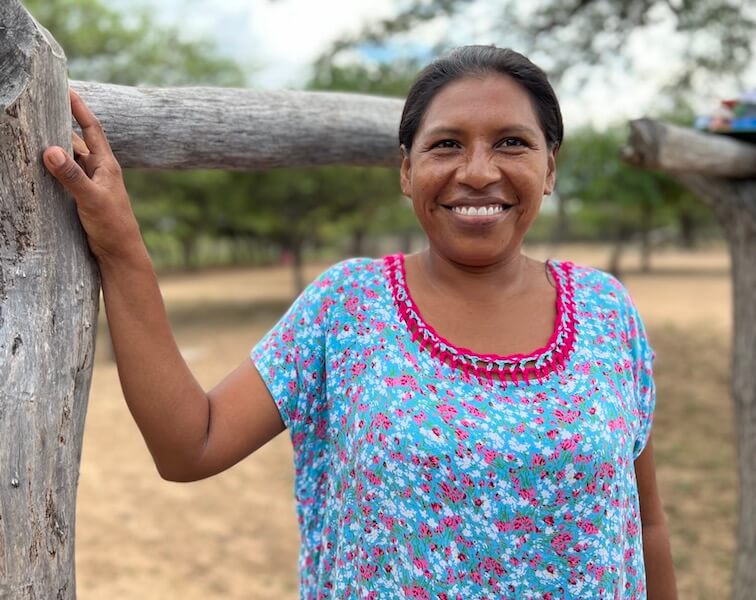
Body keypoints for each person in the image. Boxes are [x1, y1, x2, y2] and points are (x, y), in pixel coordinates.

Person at [43, 45, 677, 599]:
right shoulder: (348, 307)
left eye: (512, 142)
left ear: (551, 167)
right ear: (407, 170)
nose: (479, 171)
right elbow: (192, 444)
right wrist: (121, 244)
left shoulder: (605, 311)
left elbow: (644, 524)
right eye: (446, 144)